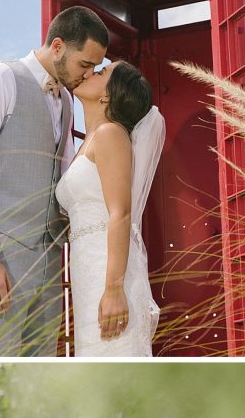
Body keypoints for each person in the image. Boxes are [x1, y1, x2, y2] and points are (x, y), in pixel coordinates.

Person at [0, 8, 109, 357]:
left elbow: (64, 181)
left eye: (95, 68)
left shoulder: (67, 100)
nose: (87, 75)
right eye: (84, 64)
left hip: (50, 264)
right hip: (0, 260)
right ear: (57, 47)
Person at [56, 62, 165, 356]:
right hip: (87, 272)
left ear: (108, 96)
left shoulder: (110, 135)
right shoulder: (89, 141)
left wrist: (115, 288)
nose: (90, 72)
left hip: (109, 274)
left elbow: (121, 213)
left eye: (101, 72)